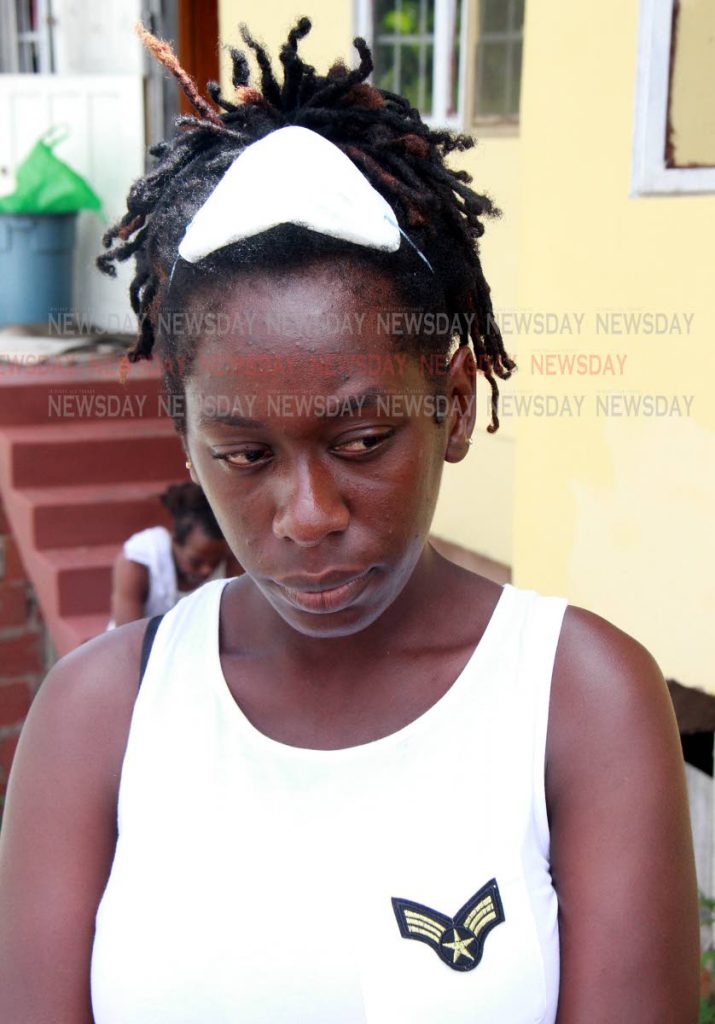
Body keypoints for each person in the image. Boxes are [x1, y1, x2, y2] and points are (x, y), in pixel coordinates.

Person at [0, 19, 700, 1024]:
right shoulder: (98, 719)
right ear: (184, 437)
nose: (311, 516)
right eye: (245, 455)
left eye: (363, 440)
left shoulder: (575, 702)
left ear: (453, 406)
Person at [107, 481, 240, 627]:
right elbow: (128, 636)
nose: (206, 569)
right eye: (196, 561)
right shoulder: (140, 559)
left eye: (215, 562)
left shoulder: (231, 561)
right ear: (175, 540)